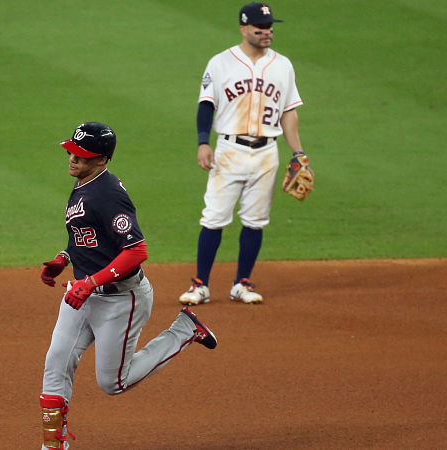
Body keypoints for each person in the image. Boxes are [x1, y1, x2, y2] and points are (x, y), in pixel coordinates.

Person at [38, 122, 218, 450]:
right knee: (56, 363)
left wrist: (91, 282)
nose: (72, 158)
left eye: (82, 155)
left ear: (102, 159)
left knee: (112, 383)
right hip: (83, 294)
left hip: (121, 299)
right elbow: (87, 236)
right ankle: (53, 446)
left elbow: (137, 250)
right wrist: (64, 258)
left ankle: (184, 330)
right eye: (72, 151)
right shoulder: (83, 182)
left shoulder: (108, 194)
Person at [179, 2, 309, 306]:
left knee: (256, 220)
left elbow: (289, 112)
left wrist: (298, 151)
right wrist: (202, 142)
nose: (267, 33)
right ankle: (201, 285)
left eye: (269, 28)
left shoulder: (283, 65)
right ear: (243, 28)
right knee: (213, 218)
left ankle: (242, 283)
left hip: (267, 153)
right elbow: (206, 104)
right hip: (229, 150)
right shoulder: (221, 63)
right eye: (259, 29)